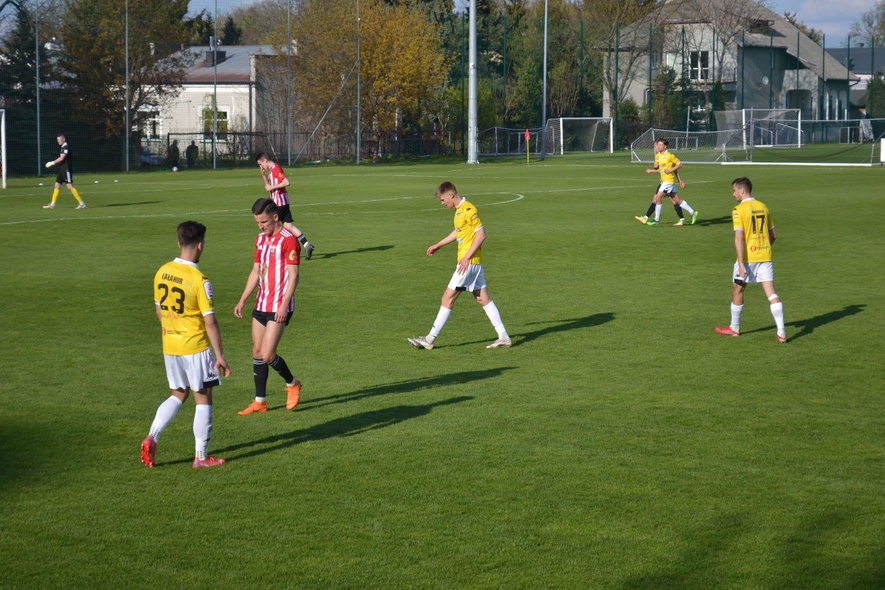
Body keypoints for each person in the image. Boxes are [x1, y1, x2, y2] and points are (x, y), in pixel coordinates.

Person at [141, 221, 231, 469]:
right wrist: (220, 355)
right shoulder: (200, 280)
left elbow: (159, 311)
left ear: (179, 243)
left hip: (170, 345)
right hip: (195, 347)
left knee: (178, 394)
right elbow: (210, 322)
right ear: (200, 245)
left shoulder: (162, 271)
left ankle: (152, 436)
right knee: (203, 399)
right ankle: (201, 457)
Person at [408, 181, 511, 350]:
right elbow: (459, 232)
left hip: (467, 264)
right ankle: (504, 337)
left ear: (451, 195)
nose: (442, 204)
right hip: (472, 263)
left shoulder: (469, 209)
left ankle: (429, 339)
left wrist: (466, 257)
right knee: (482, 298)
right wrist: (439, 244)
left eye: (442, 200)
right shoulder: (458, 212)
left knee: (447, 298)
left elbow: (482, 234)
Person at [235, 198, 304, 415]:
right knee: (256, 351)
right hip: (261, 303)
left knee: (267, 354)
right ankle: (260, 401)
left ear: (275, 217)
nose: (260, 226)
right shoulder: (259, 240)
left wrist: (284, 305)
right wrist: (243, 299)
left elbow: (294, 276)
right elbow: (256, 271)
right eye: (257, 222)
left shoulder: (288, 240)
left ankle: (293, 384)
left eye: (263, 222)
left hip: (278, 306)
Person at [715, 177, 787, 343]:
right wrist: (763, 248)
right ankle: (781, 332)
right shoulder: (763, 206)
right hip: (765, 256)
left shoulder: (739, 210)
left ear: (742, 190)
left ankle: (734, 328)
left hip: (748, 258)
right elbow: (773, 235)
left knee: (737, 289)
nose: (733, 195)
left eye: (734, 191)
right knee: (771, 294)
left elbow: (739, 238)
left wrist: (741, 263)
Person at [255, 152, 315, 260]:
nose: (261, 166)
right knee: (288, 226)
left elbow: (286, 182)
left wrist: (272, 187)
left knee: (272, 225)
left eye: (260, 164)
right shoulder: (271, 171)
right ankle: (307, 245)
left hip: (280, 202)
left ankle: (275, 249)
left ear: (265, 160)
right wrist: (263, 175)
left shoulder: (276, 168)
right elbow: (268, 186)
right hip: (281, 201)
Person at [634, 138, 698, 226]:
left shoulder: (670, 155)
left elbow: (680, 164)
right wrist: (655, 167)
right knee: (677, 200)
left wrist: (671, 170)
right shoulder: (657, 156)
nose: (658, 147)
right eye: (658, 145)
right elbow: (658, 167)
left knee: (658, 199)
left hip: (669, 181)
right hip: (664, 181)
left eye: (660, 145)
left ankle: (656, 219)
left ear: (665, 146)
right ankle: (692, 212)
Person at [42, 134, 86, 209]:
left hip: (67, 169)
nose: (58, 141)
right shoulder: (63, 147)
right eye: (57, 140)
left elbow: (62, 158)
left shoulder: (66, 147)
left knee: (69, 186)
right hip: (62, 169)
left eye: (59, 140)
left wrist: (52, 163)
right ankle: (52, 204)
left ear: (64, 139)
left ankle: (82, 203)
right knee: (57, 185)